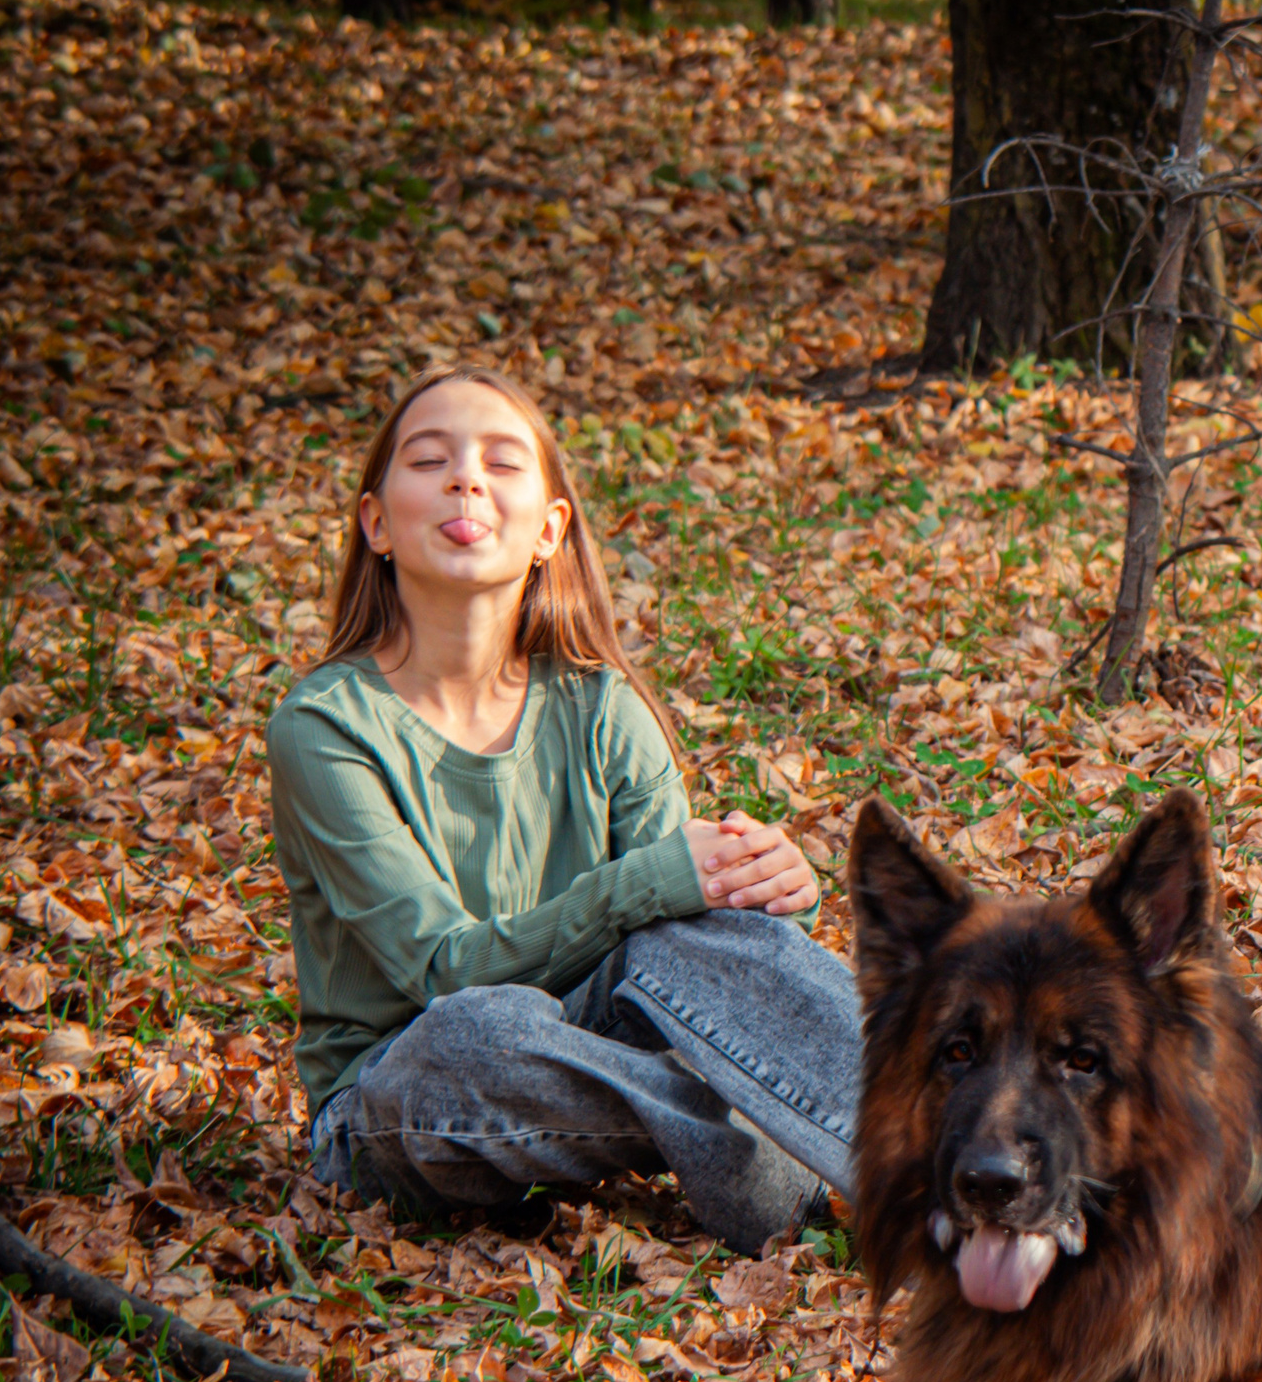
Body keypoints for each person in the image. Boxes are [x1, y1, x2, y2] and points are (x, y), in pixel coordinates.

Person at [268, 364, 858, 1254]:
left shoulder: (600, 707)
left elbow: (682, 945)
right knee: (479, 1028)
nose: (467, 478)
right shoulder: (324, 729)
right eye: (431, 460)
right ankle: (773, 1157)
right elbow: (442, 973)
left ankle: (960, 1147)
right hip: (401, 1095)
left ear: (548, 531)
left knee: (698, 938)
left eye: (502, 462)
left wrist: (768, 888)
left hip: (586, 1047)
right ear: (376, 522)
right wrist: (656, 883)